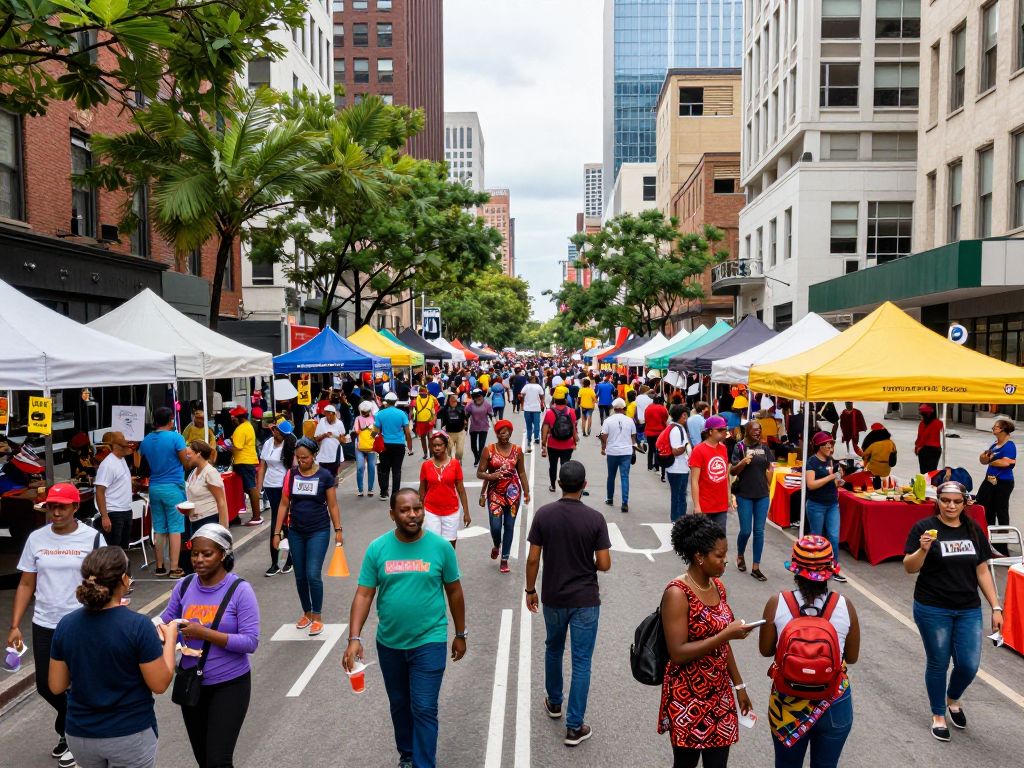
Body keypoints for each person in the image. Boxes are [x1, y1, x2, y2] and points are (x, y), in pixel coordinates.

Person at [344, 488, 467, 768]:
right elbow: (364, 594)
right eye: (405, 510)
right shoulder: (378, 548)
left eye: (418, 509)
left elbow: (455, 592)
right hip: (390, 644)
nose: (413, 515)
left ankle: (424, 763)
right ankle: (408, 755)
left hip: (430, 640)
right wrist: (354, 637)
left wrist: (460, 634)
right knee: (400, 705)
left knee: (423, 707)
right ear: (392, 515)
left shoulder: (441, 548)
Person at [49, 546, 177, 768]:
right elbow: (159, 683)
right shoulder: (138, 626)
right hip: (129, 733)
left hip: (81, 734)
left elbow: (57, 685)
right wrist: (171, 640)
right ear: (124, 580)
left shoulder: (66, 625)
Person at [7, 484, 102, 768]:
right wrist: (14, 625)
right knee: (47, 686)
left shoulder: (94, 538)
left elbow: (109, 578)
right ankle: (71, 727)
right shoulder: (36, 539)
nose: (56, 512)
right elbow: (26, 582)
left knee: (78, 684)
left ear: (75, 508)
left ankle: (73, 736)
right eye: (51, 506)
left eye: (62, 506)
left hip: (83, 622)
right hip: (45, 623)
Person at [904, 481, 1002, 741]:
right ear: (937, 500)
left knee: (969, 665)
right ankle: (938, 714)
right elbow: (909, 567)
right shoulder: (924, 528)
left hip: (968, 608)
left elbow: (982, 571)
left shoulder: (973, 530)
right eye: (945, 500)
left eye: (956, 501)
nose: (951, 506)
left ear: (964, 503)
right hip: (932, 607)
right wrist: (922, 551)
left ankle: (952, 697)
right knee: (938, 662)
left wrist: (996, 606)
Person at [525, 461, 611, 747]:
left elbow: (533, 558)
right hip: (585, 598)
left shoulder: (544, 514)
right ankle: (574, 726)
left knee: (553, 647)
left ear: (560, 483)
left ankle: (554, 702)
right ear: (584, 485)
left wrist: (530, 590)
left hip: (553, 596)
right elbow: (605, 564)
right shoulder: (596, 519)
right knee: (582, 662)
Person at [659, 515, 755, 768]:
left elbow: (724, 644)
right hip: (686, 695)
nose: (724, 561)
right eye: (719, 555)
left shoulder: (718, 587)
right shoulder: (677, 594)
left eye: (725, 554)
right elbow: (677, 653)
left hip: (719, 693)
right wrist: (726, 634)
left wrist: (739, 685)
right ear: (699, 557)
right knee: (685, 764)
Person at [160, 524, 260, 767]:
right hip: (191, 683)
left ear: (223, 555)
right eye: (195, 554)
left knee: (218, 761)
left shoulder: (240, 590)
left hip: (230, 686)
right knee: (204, 760)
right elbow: (165, 623)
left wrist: (204, 633)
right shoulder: (184, 586)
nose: (198, 559)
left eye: (207, 554)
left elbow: (250, 642)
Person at [758, 536, 860, 767]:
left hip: (788, 703)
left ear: (795, 569)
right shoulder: (845, 606)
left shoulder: (777, 602)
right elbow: (851, 658)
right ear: (831, 571)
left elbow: (765, 651)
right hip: (833, 702)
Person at [272, 437, 343, 636]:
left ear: (314, 456)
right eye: (298, 457)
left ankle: (318, 616)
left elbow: (333, 505)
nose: (301, 461)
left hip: (318, 530)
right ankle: (307, 612)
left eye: (305, 457)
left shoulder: (325, 476)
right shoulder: (292, 475)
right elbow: (284, 504)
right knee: (300, 575)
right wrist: (277, 532)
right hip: (295, 530)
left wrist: (338, 530)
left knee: (313, 573)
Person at [139, 406, 188, 578]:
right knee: (175, 527)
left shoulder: (146, 440)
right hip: (173, 486)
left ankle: (159, 566)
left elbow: (141, 463)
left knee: (159, 528)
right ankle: (174, 567)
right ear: (170, 420)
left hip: (154, 487)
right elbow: (185, 462)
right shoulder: (176, 437)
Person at [477, 419, 530, 573]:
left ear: (510, 432)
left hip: (513, 494)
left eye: (505, 431)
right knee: (495, 526)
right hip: (494, 494)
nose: (503, 434)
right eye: (500, 431)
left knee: (509, 526)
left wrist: (526, 492)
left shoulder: (517, 450)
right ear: (497, 434)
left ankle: (504, 559)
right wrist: (491, 477)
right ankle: (496, 545)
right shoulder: (489, 450)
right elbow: (480, 473)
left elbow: (521, 472)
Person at [730, 421, 774, 582]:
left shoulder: (765, 447)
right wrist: (743, 462)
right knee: (746, 531)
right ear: (747, 431)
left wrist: (770, 479)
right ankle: (740, 555)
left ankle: (756, 567)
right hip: (744, 494)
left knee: (759, 531)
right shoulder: (739, 447)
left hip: (762, 494)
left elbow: (770, 467)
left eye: (759, 430)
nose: (757, 432)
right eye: (754, 430)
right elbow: (732, 470)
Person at [805, 432, 847, 583]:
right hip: (816, 505)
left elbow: (833, 483)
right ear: (819, 447)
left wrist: (838, 482)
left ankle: (833, 568)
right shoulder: (812, 462)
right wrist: (831, 477)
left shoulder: (831, 461)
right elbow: (811, 485)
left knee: (834, 537)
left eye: (831, 443)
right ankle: (815, 568)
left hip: (832, 504)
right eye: (827, 444)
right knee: (817, 537)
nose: (830, 446)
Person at [419, 431, 472, 547]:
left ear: (445, 445)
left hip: (451, 511)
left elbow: (461, 490)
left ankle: (448, 565)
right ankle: (435, 565)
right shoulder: (426, 465)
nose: (437, 448)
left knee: (450, 545)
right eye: (434, 445)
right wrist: (419, 511)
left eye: (440, 445)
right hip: (431, 511)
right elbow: (421, 491)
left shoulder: (455, 464)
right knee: (432, 544)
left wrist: (466, 513)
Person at [258, 420, 295, 576]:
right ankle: (275, 562)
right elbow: (262, 466)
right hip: (270, 486)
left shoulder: (290, 446)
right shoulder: (267, 443)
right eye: (274, 430)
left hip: (284, 487)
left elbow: (294, 469)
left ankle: (287, 560)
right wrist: (259, 488)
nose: (275, 433)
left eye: (279, 432)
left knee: (283, 524)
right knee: (276, 524)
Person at [977, 416, 1017, 556]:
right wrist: (987, 459)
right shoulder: (994, 445)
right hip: (989, 480)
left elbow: (1006, 463)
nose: (993, 428)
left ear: (1003, 430)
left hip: (1003, 482)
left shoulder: (1009, 445)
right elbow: (982, 459)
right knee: (986, 509)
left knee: (1001, 512)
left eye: (996, 426)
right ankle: (991, 544)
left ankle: (1003, 547)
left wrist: (990, 459)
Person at [94, 431, 135, 553]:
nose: (128, 448)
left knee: (123, 550)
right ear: (116, 446)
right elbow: (100, 491)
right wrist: (105, 516)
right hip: (114, 513)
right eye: (124, 443)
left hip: (126, 510)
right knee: (114, 551)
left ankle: (123, 572)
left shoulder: (121, 459)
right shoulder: (108, 464)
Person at [689, 415, 731, 533]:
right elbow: (694, 481)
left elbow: (725, 474)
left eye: (725, 429)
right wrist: (697, 506)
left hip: (721, 505)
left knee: (719, 540)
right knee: (704, 542)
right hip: (705, 506)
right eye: (720, 430)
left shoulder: (723, 448)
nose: (724, 432)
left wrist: (729, 495)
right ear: (710, 431)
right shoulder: (698, 450)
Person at [600, 397, 638, 513]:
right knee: (624, 477)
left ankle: (610, 498)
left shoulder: (608, 420)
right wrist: (634, 451)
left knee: (611, 476)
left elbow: (603, 435)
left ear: (615, 408)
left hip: (612, 451)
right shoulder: (630, 420)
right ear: (623, 408)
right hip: (626, 452)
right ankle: (624, 502)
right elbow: (633, 437)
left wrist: (603, 447)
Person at [227, 406, 263, 527]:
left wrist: (224, 446)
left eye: (234, 418)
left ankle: (256, 516)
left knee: (251, 487)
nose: (233, 420)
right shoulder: (248, 426)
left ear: (239, 418)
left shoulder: (240, 429)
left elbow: (237, 447)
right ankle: (245, 515)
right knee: (245, 488)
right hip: (247, 460)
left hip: (243, 461)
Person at [375, 392, 414, 501]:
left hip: (384, 445)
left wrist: (370, 436)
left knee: (384, 469)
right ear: (396, 401)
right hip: (399, 444)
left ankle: (383, 492)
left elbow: (376, 432)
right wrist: (410, 447)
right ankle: (395, 493)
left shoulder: (380, 414)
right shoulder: (402, 414)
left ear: (386, 402)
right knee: (397, 470)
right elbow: (407, 432)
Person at [541, 386, 579, 493]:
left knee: (552, 466)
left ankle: (553, 486)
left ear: (554, 400)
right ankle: (564, 486)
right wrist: (575, 443)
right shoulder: (571, 412)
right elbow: (574, 429)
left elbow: (545, 429)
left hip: (553, 444)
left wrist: (543, 445)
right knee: (565, 466)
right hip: (568, 445)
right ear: (566, 400)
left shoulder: (549, 412)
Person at [663, 405, 692, 522]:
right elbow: (675, 451)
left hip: (679, 468)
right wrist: (686, 447)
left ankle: (677, 520)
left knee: (679, 495)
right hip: (678, 468)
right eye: (686, 415)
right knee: (679, 496)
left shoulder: (677, 427)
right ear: (683, 415)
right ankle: (677, 520)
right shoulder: (677, 430)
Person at [351, 401, 379, 498]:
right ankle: (360, 489)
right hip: (360, 446)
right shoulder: (358, 419)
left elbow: (377, 431)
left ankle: (370, 489)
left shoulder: (374, 418)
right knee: (360, 468)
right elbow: (357, 430)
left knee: (371, 467)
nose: (364, 413)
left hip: (370, 446)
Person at [860, 422, 897, 489]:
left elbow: (865, 456)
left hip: (873, 470)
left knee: (874, 484)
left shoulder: (874, 445)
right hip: (886, 470)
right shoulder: (891, 443)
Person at [314, 404, 348, 478]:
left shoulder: (339, 423)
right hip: (323, 453)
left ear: (334, 414)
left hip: (335, 454)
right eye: (326, 415)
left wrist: (337, 437)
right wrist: (324, 435)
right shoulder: (322, 421)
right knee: (322, 476)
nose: (328, 417)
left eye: (329, 415)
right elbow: (316, 438)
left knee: (333, 476)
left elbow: (343, 440)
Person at [436, 392, 468, 462]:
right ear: (449, 399)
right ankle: (450, 465)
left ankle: (458, 461)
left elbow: (466, 419)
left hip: (460, 432)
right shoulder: (445, 408)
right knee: (448, 452)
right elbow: (437, 416)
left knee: (459, 452)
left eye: (455, 397)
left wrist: (465, 427)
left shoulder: (461, 408)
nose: (454, 398)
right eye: (452, 397)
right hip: (449, 433)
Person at [644, 394, 670, 475]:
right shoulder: (662, 409)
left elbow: (646, 418)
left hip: (649, 431)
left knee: (650, 449)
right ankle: (657, 465)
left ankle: (649, 465)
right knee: (658, 450)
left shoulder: (648, 408)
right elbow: (665, 418)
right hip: (659, 432)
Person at [915, 404, 944, 473]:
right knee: (932, 471)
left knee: (924, 472)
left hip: (925, 449)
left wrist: (917, 447)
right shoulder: (939, 423)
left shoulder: (922, 423)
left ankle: (925, 483)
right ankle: (931, 483)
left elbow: (921, 437)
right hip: (936, 449)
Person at [413, 387, 440, 460]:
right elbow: (437, 405)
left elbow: (413, 406)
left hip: (421, 421)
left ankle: (426, 453)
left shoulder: (417, 397)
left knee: (423, 438)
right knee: (429, 438)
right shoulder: (431, 397)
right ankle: (430, 454)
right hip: (429, 420)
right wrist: (434, 414)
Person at [521, 374, 545, 448]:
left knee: (528, 425)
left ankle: (529, 438)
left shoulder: (526, 387)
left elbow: (522, 395)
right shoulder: (539, 387)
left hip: (527, 409)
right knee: (536, 424)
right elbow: (542, 396)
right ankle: (536, 438)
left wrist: (522, 405)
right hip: (536, 409)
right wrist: (542, 403)